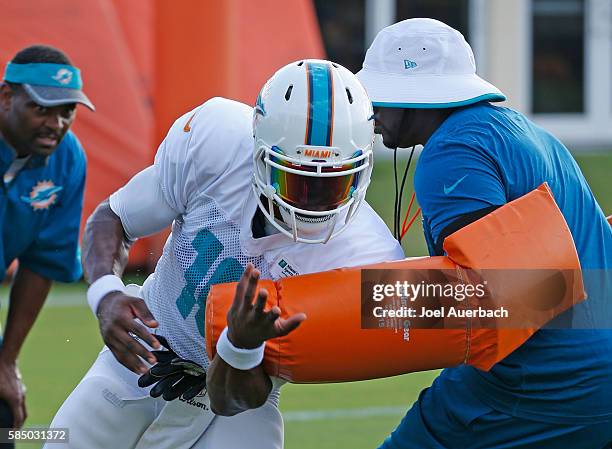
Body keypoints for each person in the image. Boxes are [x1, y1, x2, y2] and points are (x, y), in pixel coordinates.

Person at [45, 59, 403, 449]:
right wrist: (106, 294)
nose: (313, 204)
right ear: (259, 154)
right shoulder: (216, 140)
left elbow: (236, 398)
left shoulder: (367, 258)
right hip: (138, 360)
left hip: (240, 405)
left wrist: (240, 346)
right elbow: (114, 217)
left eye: (334, 184)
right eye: (295, 181)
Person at [355, 18, 612, 449]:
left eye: (376, 95)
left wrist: (373, 303)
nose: (372, 114)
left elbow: (504, 296)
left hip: (545, 380)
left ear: (413, 94)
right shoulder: (526, 131)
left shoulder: (450, 152)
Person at [0, 44, 94, 436]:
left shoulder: (68, 159)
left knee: (3, 417)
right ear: (6, 97)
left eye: (66, 111)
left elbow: (43, 262)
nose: (56, 123)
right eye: (42, 108)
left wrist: (6, 362)